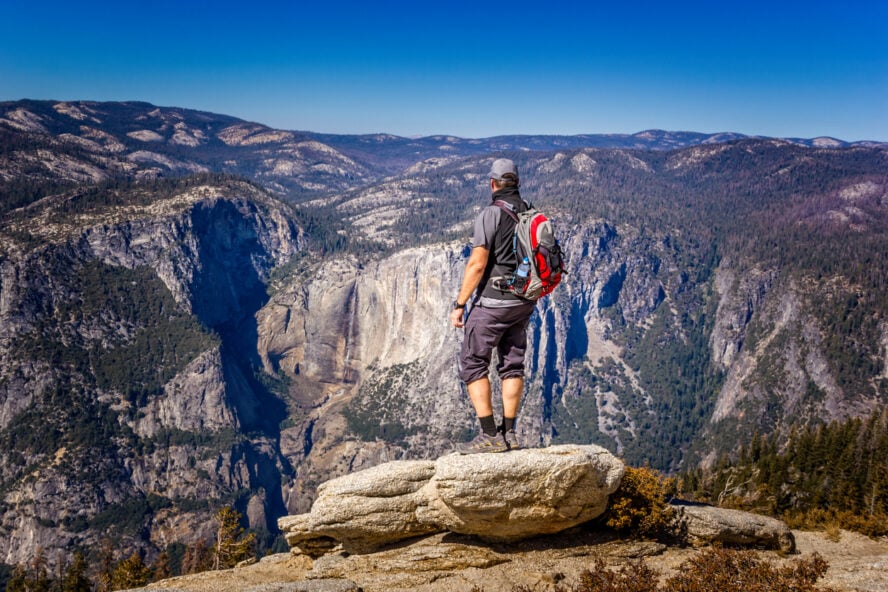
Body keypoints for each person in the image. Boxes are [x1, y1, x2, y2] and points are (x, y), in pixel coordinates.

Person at [450, 158, 537, 453]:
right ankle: (509, 433)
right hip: (523, 301)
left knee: (473, 363)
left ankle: (489, 435)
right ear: (517, 183)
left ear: (492, 184)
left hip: (493, 303)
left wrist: (460, 304)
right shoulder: (528, 212)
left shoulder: (491, 214)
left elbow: (477, 264)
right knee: (512, 364)